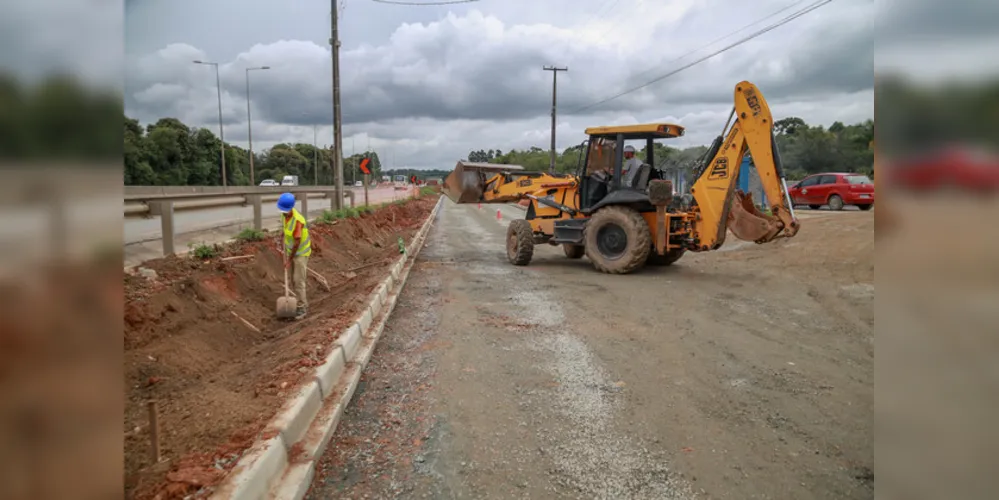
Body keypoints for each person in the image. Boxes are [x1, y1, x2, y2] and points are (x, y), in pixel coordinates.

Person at [277, 192, 311, 319]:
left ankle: (302, 308)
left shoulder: (298, 221)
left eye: (285, 210)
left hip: (300, 253)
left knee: (298, 281)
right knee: (292, 279)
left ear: (291, 208)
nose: (283, 212)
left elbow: (296, 242)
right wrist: (282, 236)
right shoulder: (284, 215)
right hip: (290, 251)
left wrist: (289, 260)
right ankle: (298, 303)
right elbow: (286, 230)